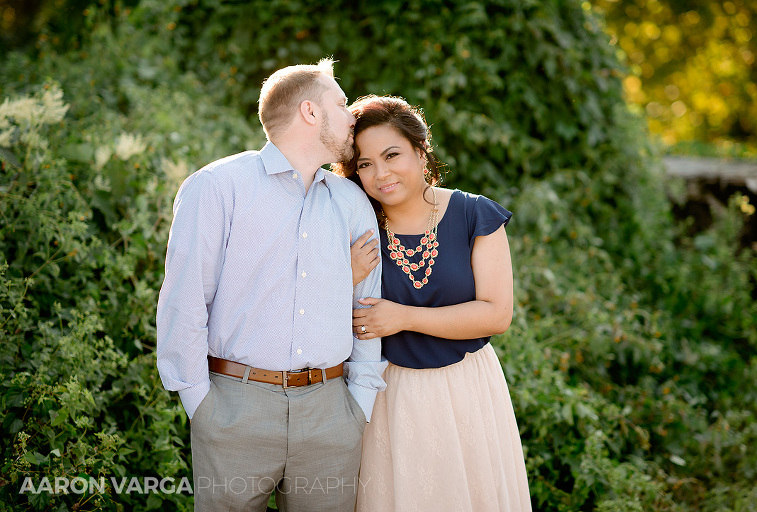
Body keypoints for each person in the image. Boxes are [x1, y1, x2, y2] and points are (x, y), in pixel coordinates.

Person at [156, 60, 387, 512]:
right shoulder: (217, 188)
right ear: (310, 112)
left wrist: (358, 405)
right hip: (233, 411)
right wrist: (200, 405)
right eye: (341, 104)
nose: (351, 117)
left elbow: (368, 308)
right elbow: (185, 302)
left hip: (330, 415)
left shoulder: (351, 202)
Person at [334, 95, 532, 511]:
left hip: (464, 389)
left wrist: (403, 316)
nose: (380, 174)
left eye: (392, 155)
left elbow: (496, 313)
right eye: (365, 164)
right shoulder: (352, 224)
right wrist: (341, 277)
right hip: (385, 395)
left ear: (422, 152)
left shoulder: (474, 214)